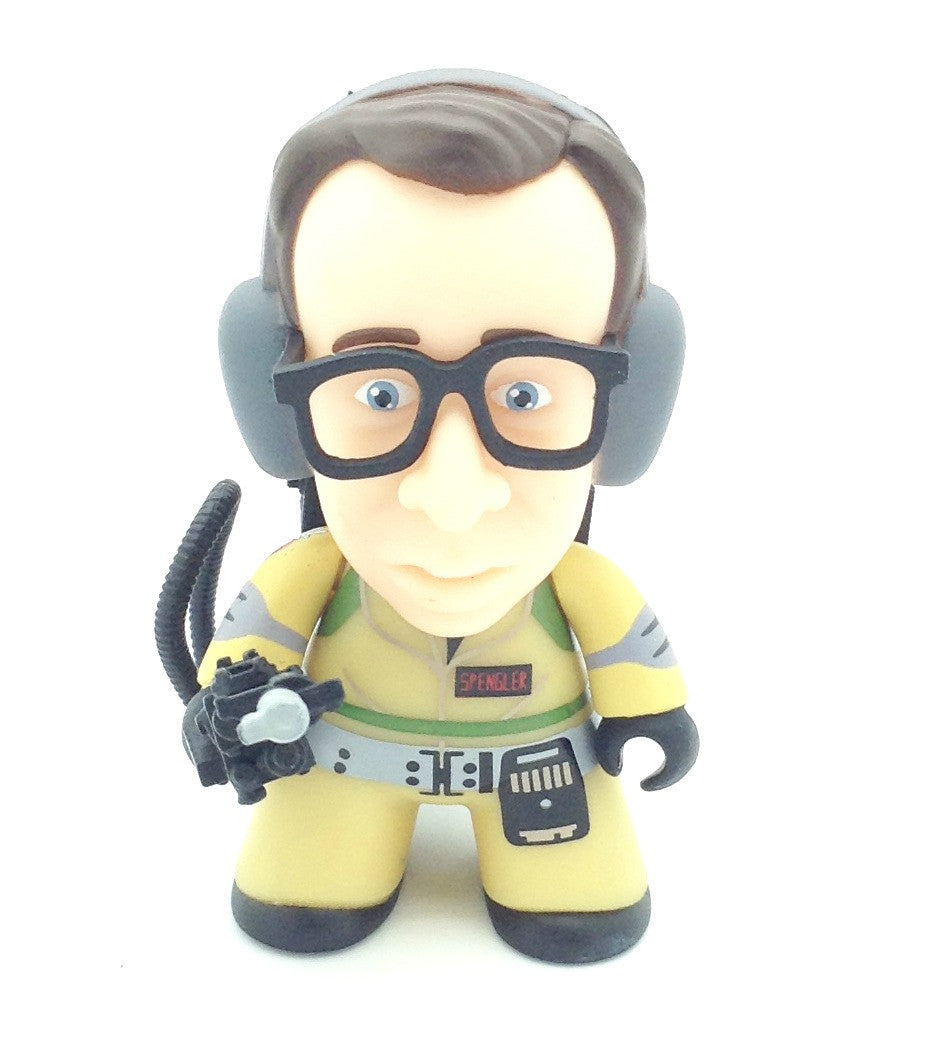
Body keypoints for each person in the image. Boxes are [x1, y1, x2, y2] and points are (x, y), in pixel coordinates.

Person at [183, 70, 698, 964]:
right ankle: (331, 865)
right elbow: (241, 662)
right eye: (377, 391)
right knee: (307, 880)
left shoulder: (582, 584)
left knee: (573, 895)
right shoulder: (310, 572)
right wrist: (230, 702)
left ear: (631, 398)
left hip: (537, 767)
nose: (453, 499)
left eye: (528, 392)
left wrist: (649, 712)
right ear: (276, 398)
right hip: (340, 763)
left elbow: (630, 655)